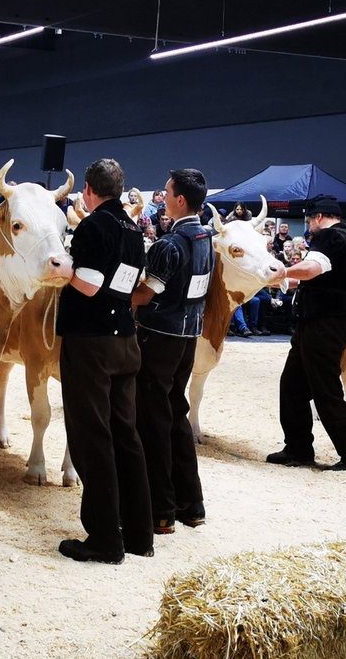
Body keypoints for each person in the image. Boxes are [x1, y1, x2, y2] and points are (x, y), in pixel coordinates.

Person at [54, 158, 152, 564]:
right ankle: (139, 533)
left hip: (91, 343)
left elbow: (90, 285)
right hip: (125, 341)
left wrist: (65, 270)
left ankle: (104, 539)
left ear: (88, 191)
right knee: (125, 434)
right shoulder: (134, 229)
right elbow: (130, 284)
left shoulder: (93, 226)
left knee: (91, 436)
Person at [265, 195, 346, 474]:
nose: (308, 226)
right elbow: (320, 279)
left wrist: (282, 271)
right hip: (317, 325)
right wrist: (281, 281)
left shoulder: (330, 237)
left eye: (308, 220)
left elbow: (311, 269)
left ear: (318, 217)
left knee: (327, 393)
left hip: (322, 326)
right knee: (292, 386)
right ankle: (298, 449)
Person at [131, 168, 210, 536]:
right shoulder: (206, 238)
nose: (162, 199)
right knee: (177, 413)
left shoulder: (170, 244)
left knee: (153, 420)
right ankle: (191, 504)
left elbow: (146, 294)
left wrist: (116, 296)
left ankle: (160, 510)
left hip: (160, 337)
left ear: (180, 199)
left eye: (166, 192)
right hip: (188, 337)